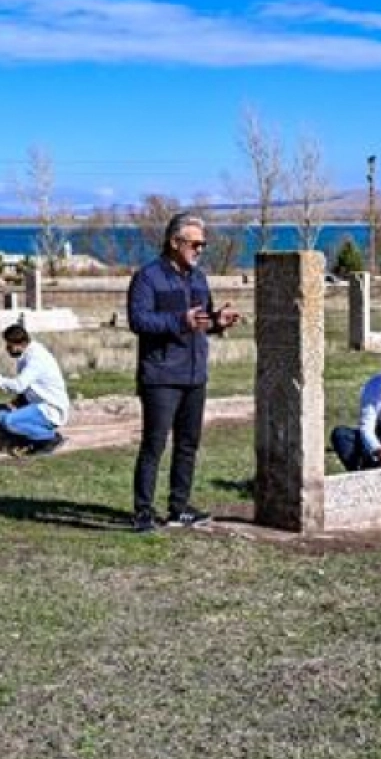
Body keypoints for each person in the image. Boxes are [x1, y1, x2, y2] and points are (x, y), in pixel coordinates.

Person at [128, 212, 242, 532]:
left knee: (188, 445)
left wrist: (218, 321)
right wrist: (180, 321)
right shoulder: (148, 278)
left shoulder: (198, 278)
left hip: (194, 375)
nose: (200, 250)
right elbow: (139, 321)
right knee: (154, 445)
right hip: (161, 376)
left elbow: (201, 321)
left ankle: (179, 507)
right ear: (174, 242)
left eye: (203, 244)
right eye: (195, 244)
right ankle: (143, 511)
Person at [0, 323, 70, 456]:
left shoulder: (36, 358)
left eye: (9, 345)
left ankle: (49, 438)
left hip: (50, 408)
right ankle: (23, 441)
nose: (7, 349)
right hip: (36, 405)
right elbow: (31, 387)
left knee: (9, 421)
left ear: (21, 344)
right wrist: (17, 402)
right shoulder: (26, 355)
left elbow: (19, 385)